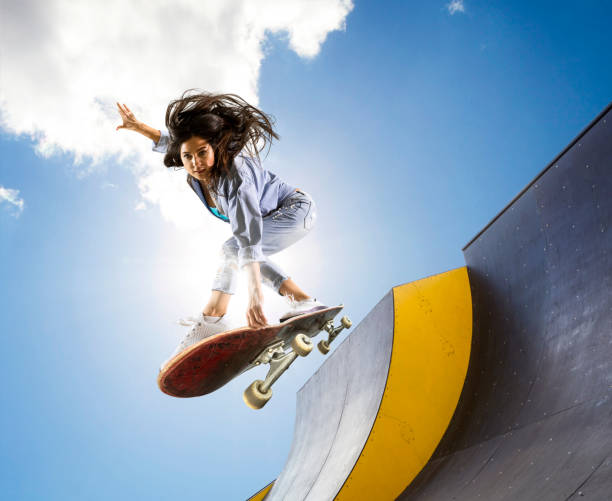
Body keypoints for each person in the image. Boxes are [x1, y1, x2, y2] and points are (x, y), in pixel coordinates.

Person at [116, 91, 327, 367]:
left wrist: (254, 296)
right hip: (274, 217)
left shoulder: (235, 177)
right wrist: (138, 126)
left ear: (216, 146)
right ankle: (302, 301)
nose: (196, 164)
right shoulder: (192, 161)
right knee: (232, 250)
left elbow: (248, 238)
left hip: (295, 210)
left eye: (202, 153)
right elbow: (172, 143)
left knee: (233, 249)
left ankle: (213, 319)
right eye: (188, 157)